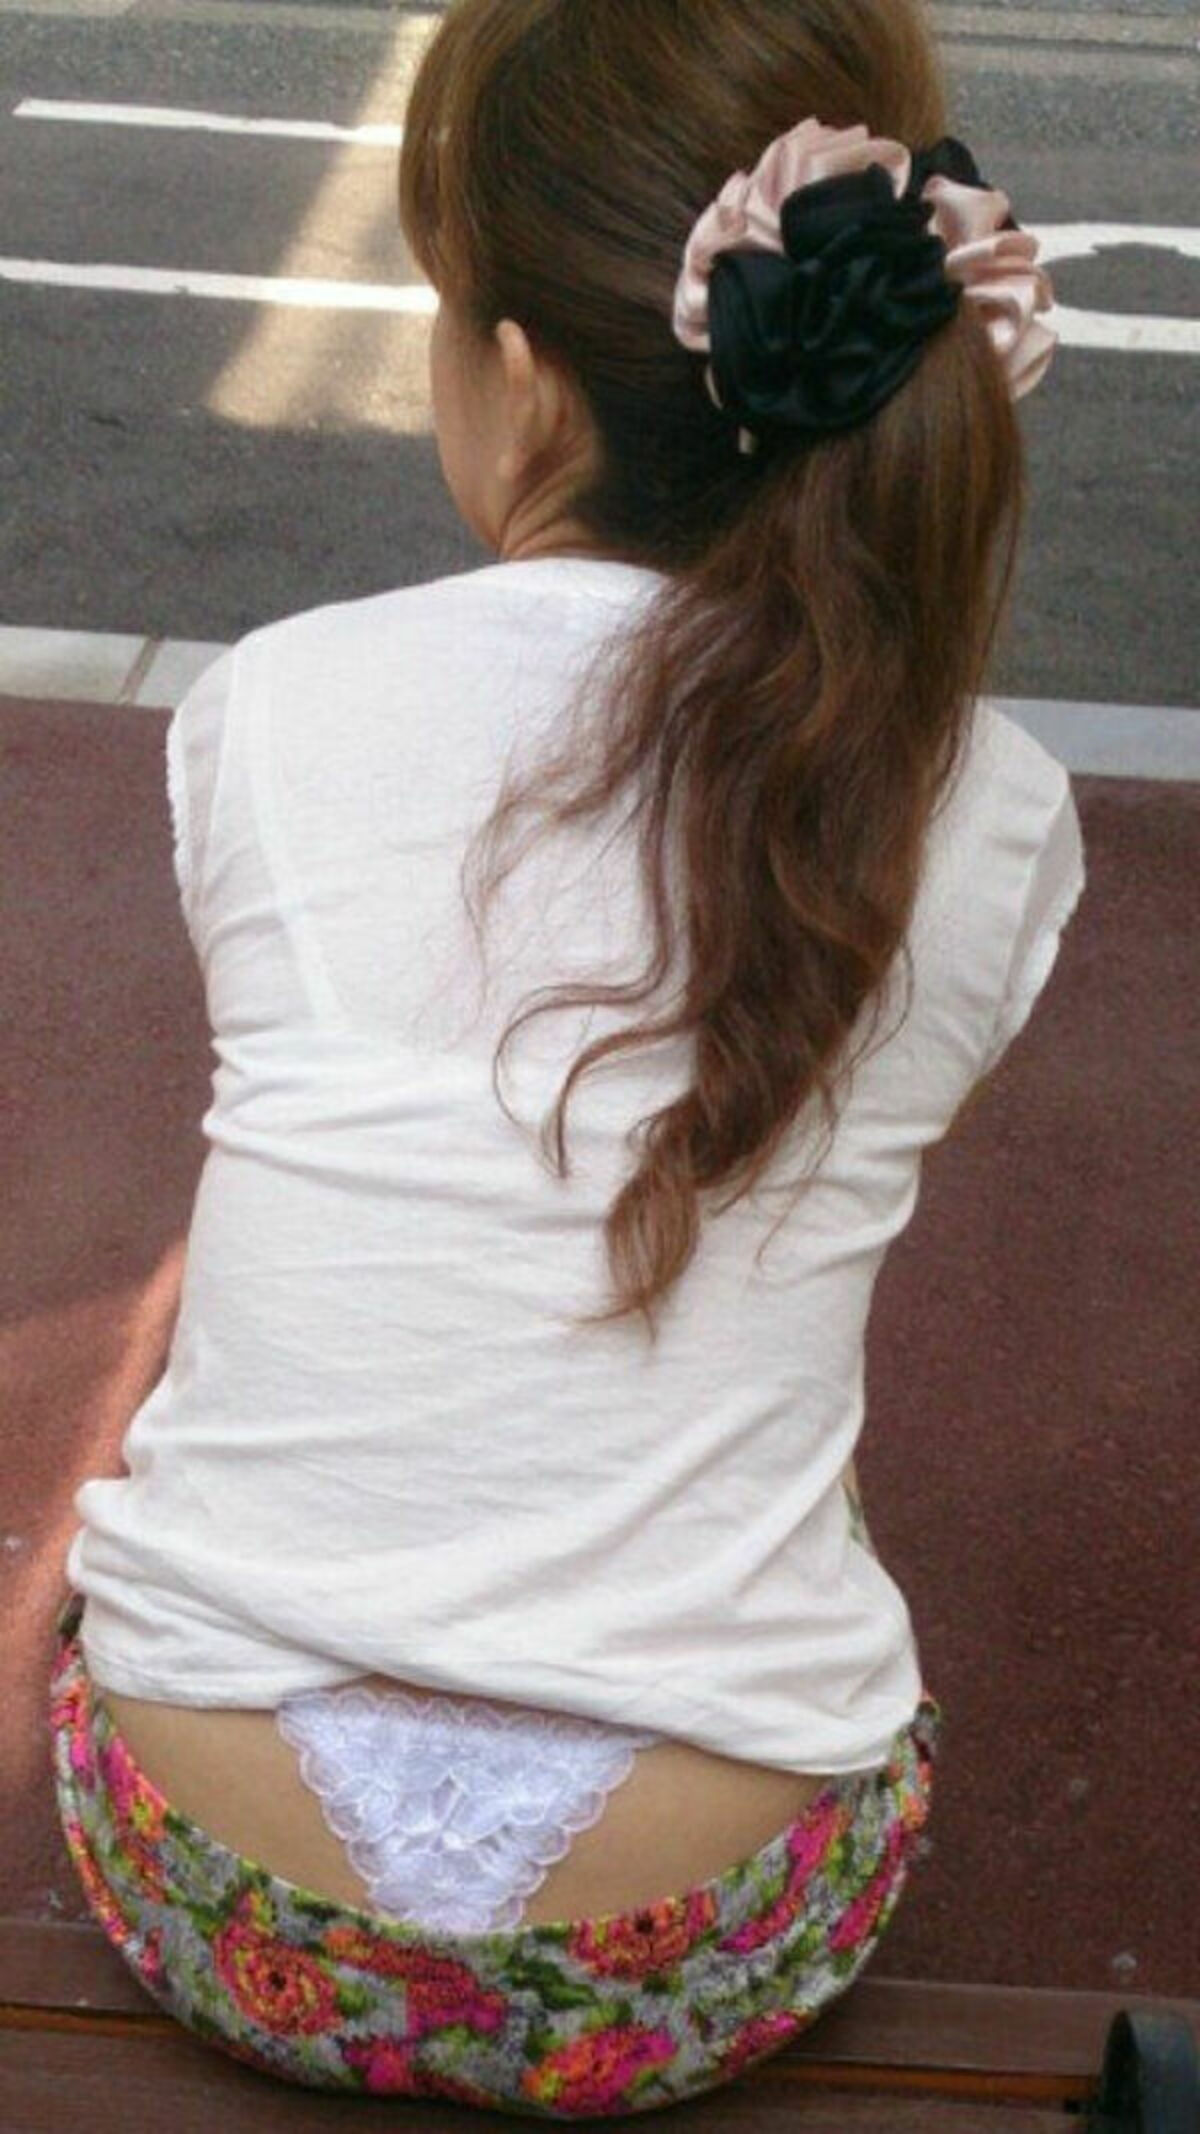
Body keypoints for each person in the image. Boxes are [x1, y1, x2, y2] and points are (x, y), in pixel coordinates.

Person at [49, 0, 1085, 2112]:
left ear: (517, 378)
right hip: (704, 1938)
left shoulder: (271, 706)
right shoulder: (994, 804)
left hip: (215, 1880)